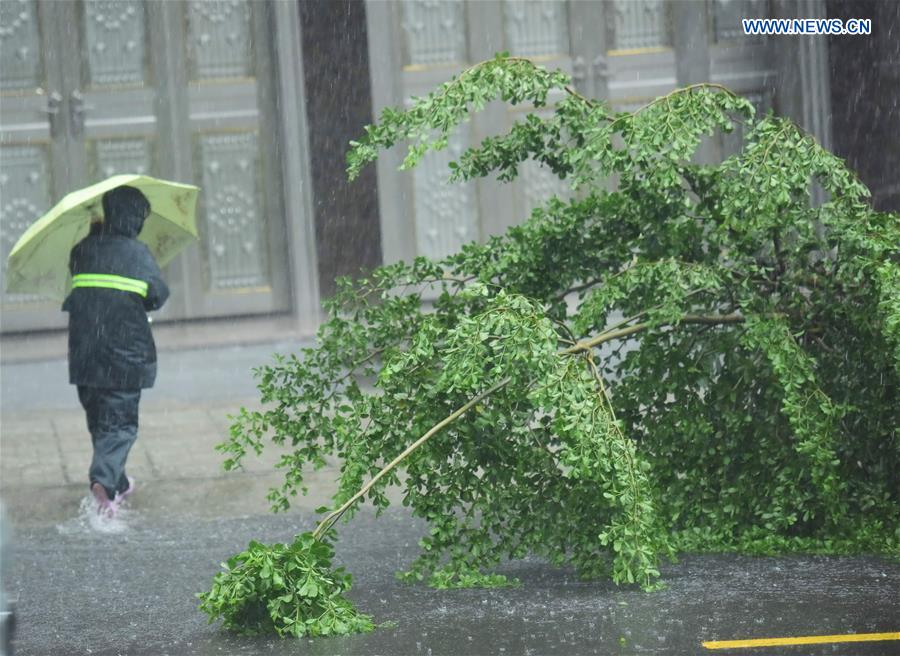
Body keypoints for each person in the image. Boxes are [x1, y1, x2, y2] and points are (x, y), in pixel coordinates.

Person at [62, 186, 169, 517]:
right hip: (125, 355)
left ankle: (118, 481)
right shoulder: (137, 254)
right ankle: (104, 485)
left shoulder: (82, 250)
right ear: (134, 218)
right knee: (119, 423)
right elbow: (158, 295)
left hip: (85, 354)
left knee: (99, 418)